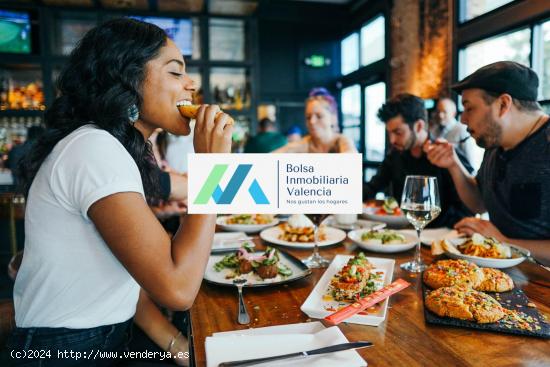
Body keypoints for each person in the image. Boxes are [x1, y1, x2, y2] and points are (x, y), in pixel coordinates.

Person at [6, 18, 232, 366]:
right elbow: (178, 289)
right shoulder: (94, 148)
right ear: (127, 78)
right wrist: (214, 170)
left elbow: (131, 284)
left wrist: (185, 351)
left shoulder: (112, 148)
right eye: (175, 72)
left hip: (105, 338)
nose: (192, 84)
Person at [425, 61, 550, 263]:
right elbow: (479, 203)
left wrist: (503, 241)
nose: (463, 119)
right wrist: (453, 165)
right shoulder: (495, 144)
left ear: (503, 104)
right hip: (502, 273)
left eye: (469, 108)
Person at [363, 93, 473, 228]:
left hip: (440, 238)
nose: (392, 140)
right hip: (404, 234)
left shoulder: (447, 155)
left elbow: (469, 207)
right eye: (389, 133)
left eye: (398, 132)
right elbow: (372, 187)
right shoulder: (395, 156)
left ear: (419, 126)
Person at [274, 88, 357, 153]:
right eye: (308, 117)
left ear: (333, 118)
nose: (312, 121)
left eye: (319, 116)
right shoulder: (303, 144)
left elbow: (351, 165)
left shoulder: (342, 141)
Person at [430, 97, 480, 169]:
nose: (440, 115)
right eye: (438, 111)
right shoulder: (434, 130)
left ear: (454, 113)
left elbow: (471, 162)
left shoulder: (463, 130)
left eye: (444, 112)